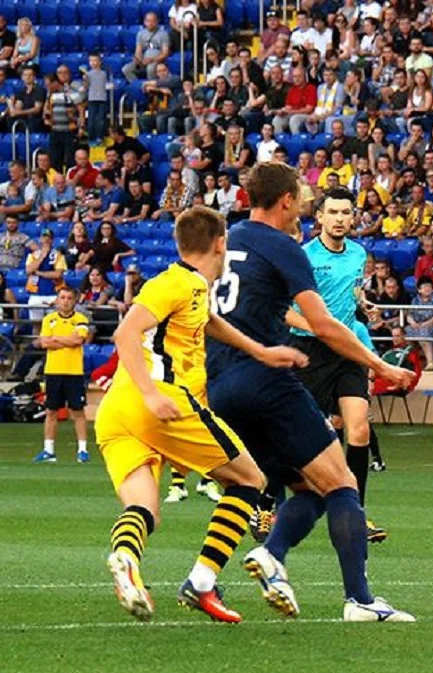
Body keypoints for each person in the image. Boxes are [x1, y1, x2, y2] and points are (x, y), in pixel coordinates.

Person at [206, 162, 415, 623]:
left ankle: (221, 571)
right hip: (269, 377)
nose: (304, 205)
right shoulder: (286, 248)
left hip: (220, 383)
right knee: (339, 484)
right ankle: (358, 599)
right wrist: (380, 364)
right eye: (301, 197)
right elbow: (321, 325)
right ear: (285, 200)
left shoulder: (227, 238)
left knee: (286, 486)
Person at [98, 206, 307, 623]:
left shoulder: (190, 287)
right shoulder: (179, 282)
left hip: (115, 412)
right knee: (250, 479)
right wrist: (151, 395)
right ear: (220, 242)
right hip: (159, 403)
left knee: (146, 509)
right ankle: (201, 582)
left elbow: (208, 321)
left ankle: (125, 560)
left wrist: (262, 351)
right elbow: (125, 332)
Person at [281, 187, 389, 544]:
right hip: (310, 351)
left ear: (353, 216)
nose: (341, 218)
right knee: (297, 435)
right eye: (334, 212)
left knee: (358, 430)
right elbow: (282, 309)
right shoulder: (303, 257)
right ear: (320, 218)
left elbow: (353, 293)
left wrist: (364, 306)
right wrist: (313, 325)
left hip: (346, 348)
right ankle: (267, 499)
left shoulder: (359, 254)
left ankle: (355, 514)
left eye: (346, 212)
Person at [31, 287, 91, 464]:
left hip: (74, 372)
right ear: (57, 300)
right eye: (62, 297)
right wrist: (65, 340)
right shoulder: (49, 319)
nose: (65, 301)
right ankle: (49, 450)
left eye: (69, 298)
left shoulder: (80, 319)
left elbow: (78, 340)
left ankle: (82, 449)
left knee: (78, 411)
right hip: (53, 371)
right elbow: (44, 342)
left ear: (74, 300)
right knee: (51, 411)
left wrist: (56, 339)